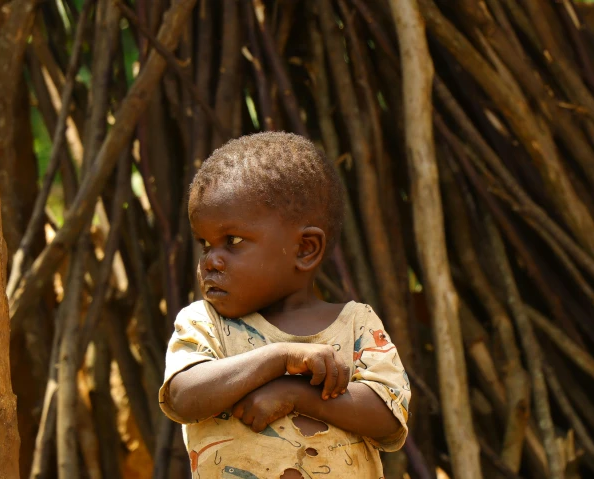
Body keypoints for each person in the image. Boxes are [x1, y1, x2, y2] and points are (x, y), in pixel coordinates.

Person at [159, 132, 411, 478]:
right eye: (205, 244)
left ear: (305, 249)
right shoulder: (205, 323)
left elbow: (388, 416)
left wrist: (297, 394)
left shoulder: (356, 323)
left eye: (232, 241)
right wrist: (280, 358)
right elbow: (184, 397)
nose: (210, 261)